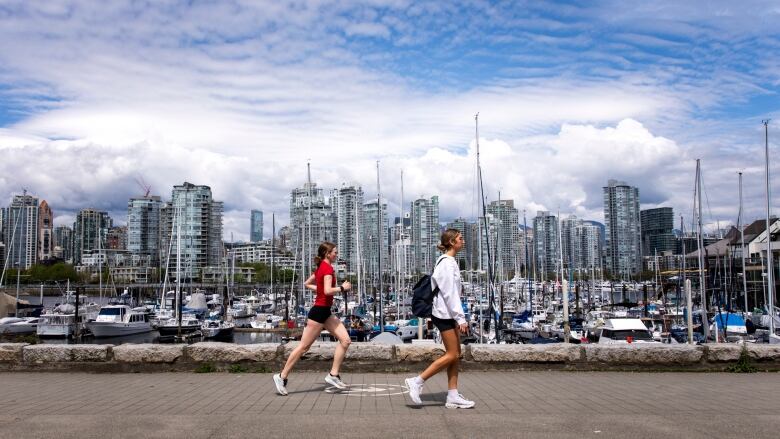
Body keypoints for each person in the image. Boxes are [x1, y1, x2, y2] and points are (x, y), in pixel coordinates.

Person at [405, 229, 475, 409]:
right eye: (460, 238)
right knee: (452, 354)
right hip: (443, 314)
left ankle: (452, 395)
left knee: (455, 356)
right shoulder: (446, 264)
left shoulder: (449, 261)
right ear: (452, 242)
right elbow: (449, 293)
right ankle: (417, 381)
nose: (463, 241)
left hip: (447, 314)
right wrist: (461, 318)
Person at [273, 241, 352, 395]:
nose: (336, 254)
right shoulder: (327, 268)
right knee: (303, 347)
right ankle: (281, 376)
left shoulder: (321, 267)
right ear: (327, 254)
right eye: (334, 252)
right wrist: (343, 288)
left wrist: (321, 289)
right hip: (318, 313)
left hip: (325, 312)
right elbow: (328, 291)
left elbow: (307, 283)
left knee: (345, 340)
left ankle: (333, 375)